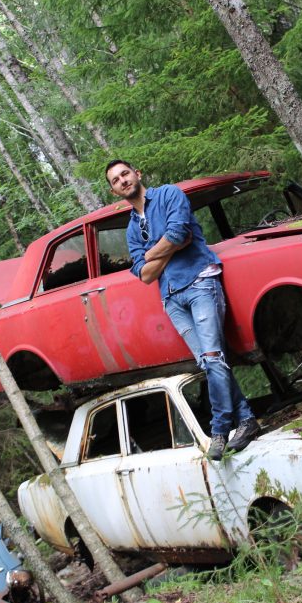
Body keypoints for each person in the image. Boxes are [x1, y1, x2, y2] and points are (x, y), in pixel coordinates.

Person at [106, 159, 260, 461]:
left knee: (214, 357)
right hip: (171, 298)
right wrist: (165, 249)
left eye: (125, 174)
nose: (123, 180)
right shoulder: (131, 230)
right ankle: (247, 421)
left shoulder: (169, 195)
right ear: (114, 191)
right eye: (115, 180)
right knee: (207, 362)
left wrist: (156, 252)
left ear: (138, 174)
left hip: (200, 280)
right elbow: (145, 273)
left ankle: (219, 430)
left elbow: (180, 233)